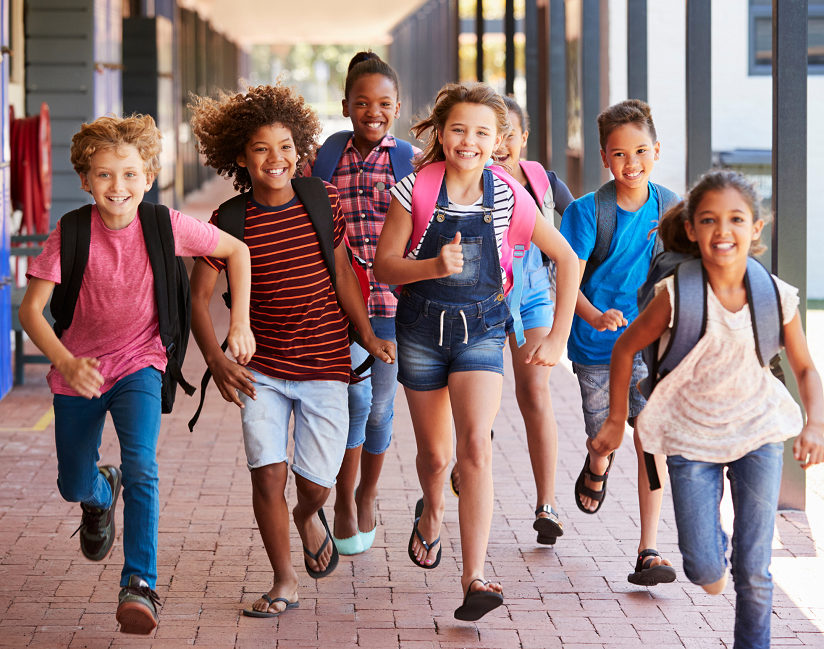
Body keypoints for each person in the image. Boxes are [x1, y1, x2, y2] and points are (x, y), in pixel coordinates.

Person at [18, 114, 254, 634]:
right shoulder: (72, 231)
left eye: (129, 175)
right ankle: (100, 491)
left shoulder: (164, 224)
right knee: (71, 482)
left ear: (148, 176)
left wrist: (240, 321)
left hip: (140, 361)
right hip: (78, 370)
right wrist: (65, 361)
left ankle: (139, 583)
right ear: (85, 179)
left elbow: (236, 251)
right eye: (104, 175)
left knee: (143, 465)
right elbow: (31, 310)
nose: (117, 187)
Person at [593, 169, 824, 649]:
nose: (724, 231)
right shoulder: (677, 294)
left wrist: (816, 422)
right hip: (689, 437)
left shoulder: (775, 296)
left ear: (756, 228)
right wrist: (616, 420)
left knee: (754, 567)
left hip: (758, 434)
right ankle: (710, 555)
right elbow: (623, 350)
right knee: (702, 565)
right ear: (693, 229)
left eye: (737, 219)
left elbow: (804, 368)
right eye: (710, 220)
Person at [188, 83, 395, 618]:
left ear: (299, 149)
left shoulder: (319, 200)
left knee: (315, 486)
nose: (274, 159)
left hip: (326, 362)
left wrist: (367, 335)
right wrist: (215, 359)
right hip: (261, 369)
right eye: (260, 148)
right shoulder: (230, 221)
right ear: (240, 156)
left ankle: (308, 516)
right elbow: (198, 298)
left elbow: (345, 272)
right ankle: (283, 581)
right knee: (267, 473)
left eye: (284, 146)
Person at [374, 83, 579, 621]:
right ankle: (432, 510)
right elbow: (385, 268)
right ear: (441, 134)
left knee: (476, 450)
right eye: (459, 129)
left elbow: (568, 258)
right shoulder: (413, 190)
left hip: (483, 329)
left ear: (499, 141)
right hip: (420, 330)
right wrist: (432, 268)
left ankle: (474, 577)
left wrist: (557, 337)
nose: (469, 141)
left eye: (483, 133)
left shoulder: (510, 195)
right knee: (437, 458)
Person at [303, 52, 420, 555]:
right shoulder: (325, 159)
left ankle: (369, 490)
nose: (374, 110)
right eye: (363, 102)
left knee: (380, 409)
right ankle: (346, 498)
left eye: (384, 103)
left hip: (396, 307)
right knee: (354, 402)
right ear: (347, 105)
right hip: (344, 305)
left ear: (397, 107)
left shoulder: (412, 162)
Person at [559, 99, 679, 586]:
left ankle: (649, 549)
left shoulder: (672, 209)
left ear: (656, 151)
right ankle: (595, 463)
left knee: (651, 442)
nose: (632, 164)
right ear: (604, 158)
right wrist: (594, 314)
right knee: (604, 436)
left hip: (650, 348)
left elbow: (682, 273)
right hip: (596, 349)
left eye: (641, 151)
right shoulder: (590, 213)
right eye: (619, 154)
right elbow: (565, 279)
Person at [449, 95, 574, 545]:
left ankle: (547, 503)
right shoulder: (470, 180)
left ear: (522, 137)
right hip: (479, 297)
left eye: (508, 135)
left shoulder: (543, 182)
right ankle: (470, 452)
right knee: (476, 395)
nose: (498, 144)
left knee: (535, 389)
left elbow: (577, 235)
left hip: (533, 296)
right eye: (490, 133)